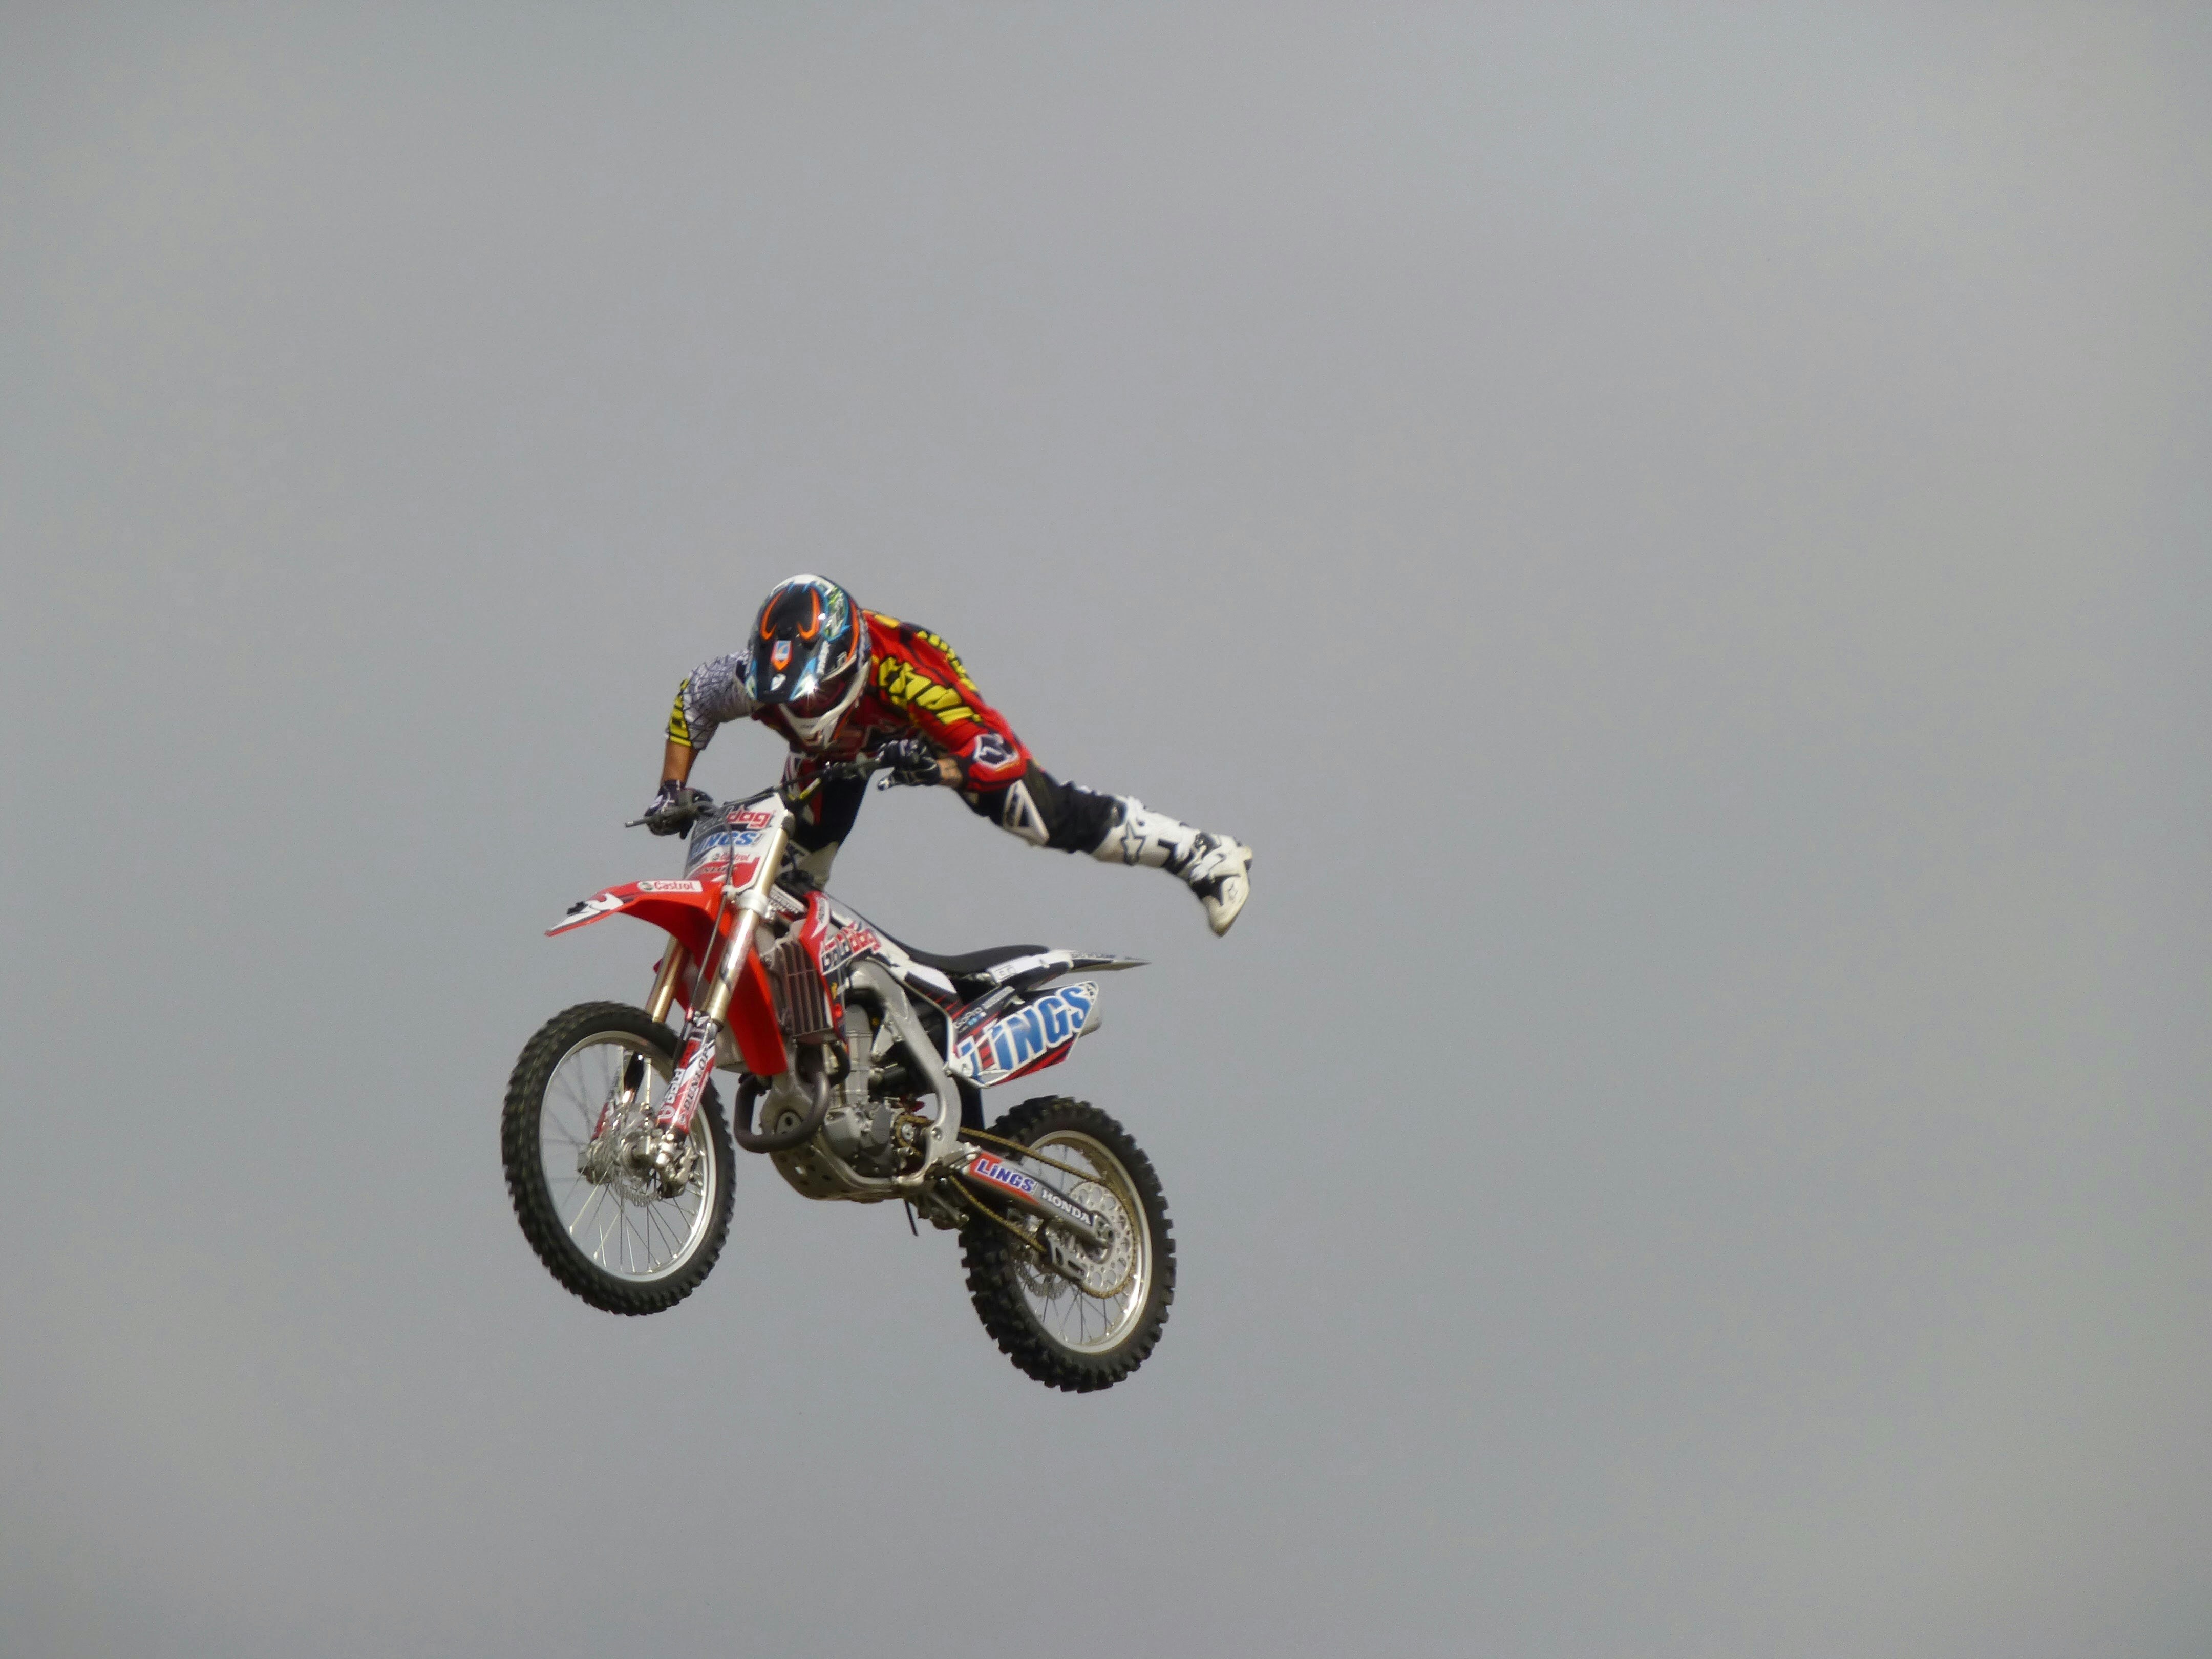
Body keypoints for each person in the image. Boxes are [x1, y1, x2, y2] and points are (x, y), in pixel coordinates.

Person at [644, 574, 1252, 934]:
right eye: (788, 701)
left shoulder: (913, 683)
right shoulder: (753, 679)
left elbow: (999, 757)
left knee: (1033, 814)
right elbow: (693, 699)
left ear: (851, 667)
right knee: (788, 867)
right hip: (843, 751)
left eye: (821, 693)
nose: (804, 711)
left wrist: (941, 767)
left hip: (926, 730)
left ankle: (1201, 853)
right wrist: (672, 789)